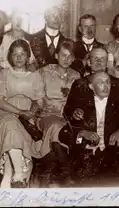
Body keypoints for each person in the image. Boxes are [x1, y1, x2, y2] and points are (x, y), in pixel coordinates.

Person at [59, 71, 119, 187]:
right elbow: (64, 135)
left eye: (107, 82)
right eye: (100, 82)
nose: (106, 86)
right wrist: (82, 133)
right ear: (91, 87)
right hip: (88, 160)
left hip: (113, 157)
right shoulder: (81, 106)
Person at [0, 39, 47, 188]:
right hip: (6, 111)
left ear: (28, 56)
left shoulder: (35, 76)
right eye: (15, 54)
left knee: (14, 132)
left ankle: (8, 173)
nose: (19, 58)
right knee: (10, 125)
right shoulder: (4, 73)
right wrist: (20, 112)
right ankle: (19, 174)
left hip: (27, 115)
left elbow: (40, 102)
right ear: (10, 57)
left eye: (22, 54)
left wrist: (31, 113)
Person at [32, 39, 80, 186]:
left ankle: (48, 173)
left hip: (67, 117)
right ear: (56, 55)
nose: (66, 59)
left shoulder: (76, 75)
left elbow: (79, 100)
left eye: (70, 56)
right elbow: (36, 97)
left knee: (61, 127)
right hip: (47, 115)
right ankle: (67, 174)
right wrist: (41, 108)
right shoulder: (44, 72)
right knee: (56, 126)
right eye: (63, 55)